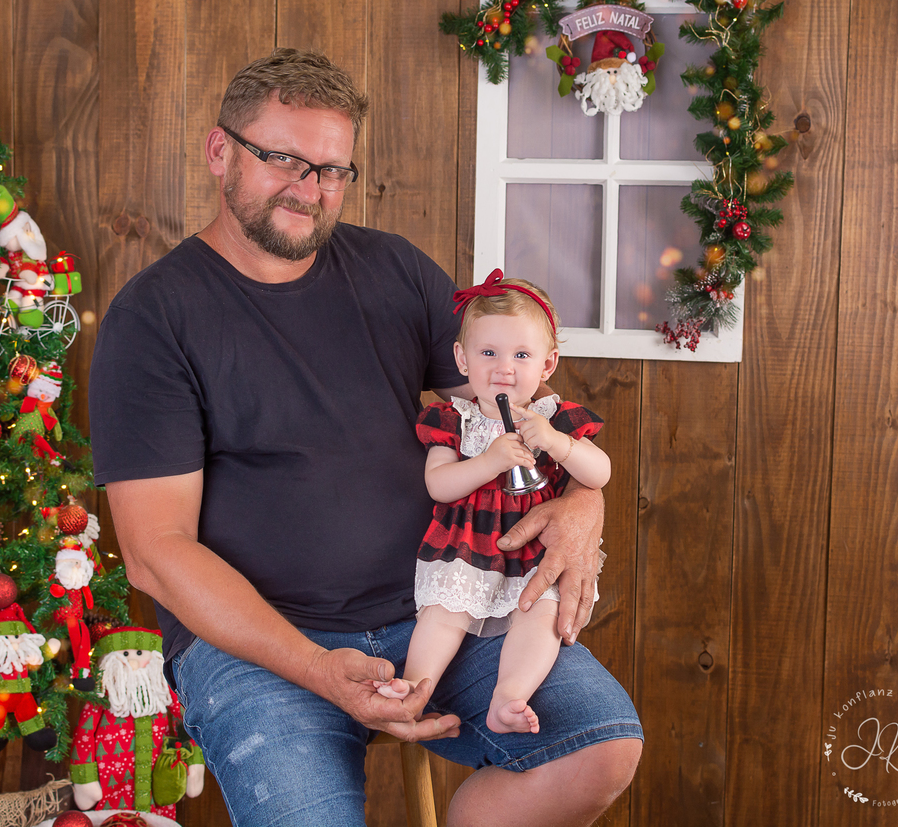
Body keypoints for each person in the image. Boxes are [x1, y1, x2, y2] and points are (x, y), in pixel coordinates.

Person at [89, 48, 642, 827]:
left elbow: (523, 411)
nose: (309, 187)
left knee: (598, 747)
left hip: (443, 600)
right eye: (282, 159)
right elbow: (155, 550)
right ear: (220, 152)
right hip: (263, 645)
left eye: (332, 170)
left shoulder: (394, 271)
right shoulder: (155, 317)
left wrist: (586, 502)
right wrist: (318, 667)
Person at [374, 272, 610, 737]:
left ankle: (509, 697)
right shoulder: (454, 420)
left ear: (548, 364)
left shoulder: (554, 419)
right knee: (443, 615)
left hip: (533, 552)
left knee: (540, 616)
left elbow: (599, 473)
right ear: (462, 359)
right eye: (488, 353)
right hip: (466, 546)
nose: (504, 368)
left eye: (521, 355)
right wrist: (489, 461)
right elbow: (439, 484)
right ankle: (413, 689)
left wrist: (558, 444)